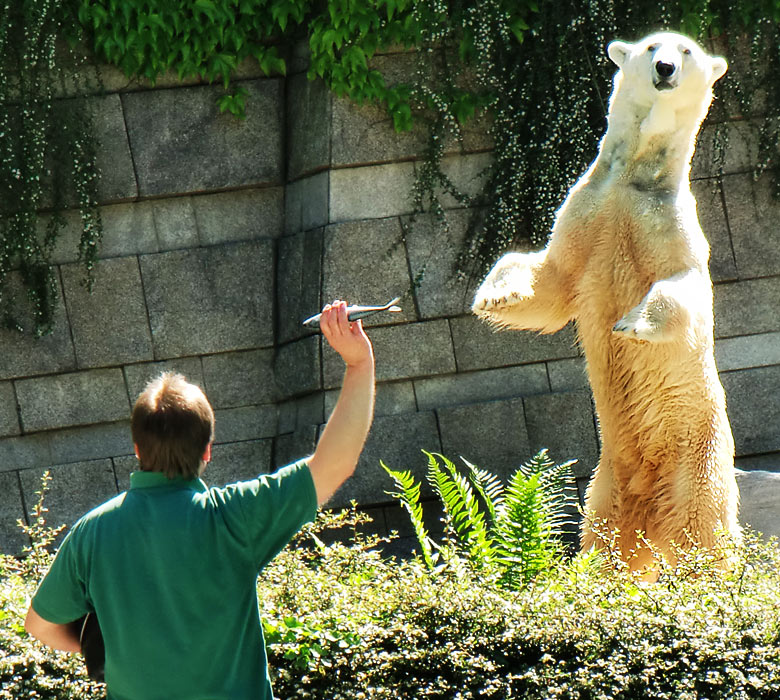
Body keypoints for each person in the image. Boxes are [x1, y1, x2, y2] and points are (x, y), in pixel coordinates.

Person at [24, 300, 375, 700]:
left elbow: (40, 625)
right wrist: (358, 364)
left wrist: (114, 646)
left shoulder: (93, 532)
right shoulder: (234, 516)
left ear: (138, 449)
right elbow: (335, 464)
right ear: (207, 450)